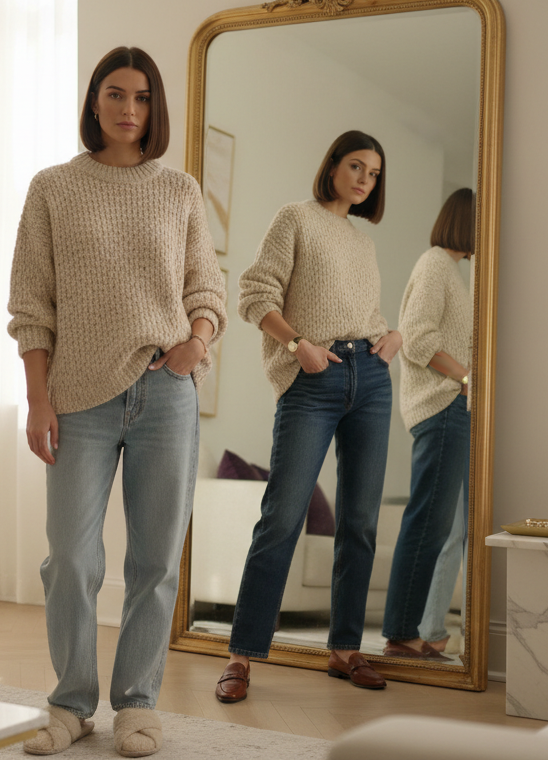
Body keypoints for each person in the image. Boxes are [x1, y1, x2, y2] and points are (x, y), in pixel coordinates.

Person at [7, 46, 227, 757]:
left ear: (154, 108)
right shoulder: (52, 188)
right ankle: (71, 702)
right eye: (115, 94)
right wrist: (38, 400)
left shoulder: (181, 191)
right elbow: (31, 306)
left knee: (156, 562)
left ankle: (137, 704)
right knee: (70, 558)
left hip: (166, 394)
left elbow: (207, 287)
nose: (129, 109)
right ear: (94, 101)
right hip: (77, 397)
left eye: (141, 97)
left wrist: (197, 340)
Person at [214, 130, 402, 703]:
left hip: (368, 377)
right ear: (334, 166)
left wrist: (389, 335)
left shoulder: (362, 243)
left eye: (373, 172)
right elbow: (254, 294)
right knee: (282, 516)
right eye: (355, 165)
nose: (364, 178)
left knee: (361, 521)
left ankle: (346, 650)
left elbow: (361, 310)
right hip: (312, 379)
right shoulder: (293, 218)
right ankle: (241, 654)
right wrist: (299, 346)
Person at [381, 187, 475, 660]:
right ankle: (401, 633)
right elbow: (416, 338)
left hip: (455, 409)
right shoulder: (436, 263)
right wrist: (464, 377)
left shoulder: (453, 271)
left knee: (446, 527)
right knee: (428, 524)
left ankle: (424, 630)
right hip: (441, 408)